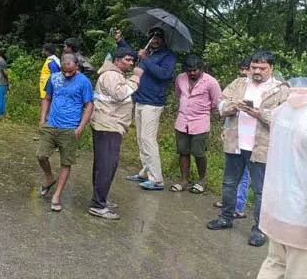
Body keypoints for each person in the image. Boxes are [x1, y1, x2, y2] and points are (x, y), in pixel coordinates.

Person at [206, 50, 290, 247]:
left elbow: (285, 120)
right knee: (229, 184)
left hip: (261, 148)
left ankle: (260, 230)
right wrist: (234, 106)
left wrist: (260, 114)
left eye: (262, 68)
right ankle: (226, 218)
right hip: (235, 143)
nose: (257, 71)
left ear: (272, 68)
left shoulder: (281, 89)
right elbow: (220, 105)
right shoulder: (238, 84)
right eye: (254, 67)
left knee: (261, 191)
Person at [256, 78, 307, 278]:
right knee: (301, 270)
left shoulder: (281, 111)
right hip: (302, 215)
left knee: (275, 263)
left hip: (277, 207)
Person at [118, 27, 177, 191]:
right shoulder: (148, 53)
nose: (155, 39)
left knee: (148, 140)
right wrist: (120, 41)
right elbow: (134, 55)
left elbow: (164, 74)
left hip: (153, 103)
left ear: (164, 39)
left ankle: (157, 180)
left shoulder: (168, 56)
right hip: (140, 100)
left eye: (158, 37)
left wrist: (147, 60)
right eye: (152, 36)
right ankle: (145, 172)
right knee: (140, 139)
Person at [88, 47, 142, 220]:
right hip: (108, 124)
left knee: (103, 164)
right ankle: (98, 205)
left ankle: (99, 199)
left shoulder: (115, 74)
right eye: (127, 60)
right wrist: (136, 77)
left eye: (132, 60)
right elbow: (120, 94)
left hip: (109, 124)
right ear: (117, 60)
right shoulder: (111, 74)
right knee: (107, 165)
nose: (131, 63)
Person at [37, 53, 94, 212]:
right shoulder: (54, 78)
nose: (67, 73)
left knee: (66, 162)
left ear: (77, 66)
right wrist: (43, 119)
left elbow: (89, 106)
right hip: (51, 124)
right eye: (64, 71)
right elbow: (47, 98)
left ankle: (57, 195)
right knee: (41, 155)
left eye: (70, 70)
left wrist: (81, 127)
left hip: (70, 128)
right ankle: (49, 178)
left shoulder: (84, 82)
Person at [170, 54, 222, 194]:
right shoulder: (180, 78)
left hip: (200, 121)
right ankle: (184, 181)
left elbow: (217, 102)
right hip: (182, 121)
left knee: (199, 153)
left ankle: (202, 180)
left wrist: (203, 109)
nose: (192, 73)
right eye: (189, 70)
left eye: (195, 70)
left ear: (201, 69)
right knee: (183, 152)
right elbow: (178, 94)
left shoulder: (211, 82)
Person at [214, 57, 252, 218]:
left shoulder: (262, 89)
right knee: (231, 176)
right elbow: (225, 107)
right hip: (234, 136)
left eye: (247, 69)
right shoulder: (237, 85)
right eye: (241, 69)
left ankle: (239, 206)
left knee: (245, 175)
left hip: (251, 140)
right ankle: (230, 203)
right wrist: (225, 128)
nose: (244, 72)